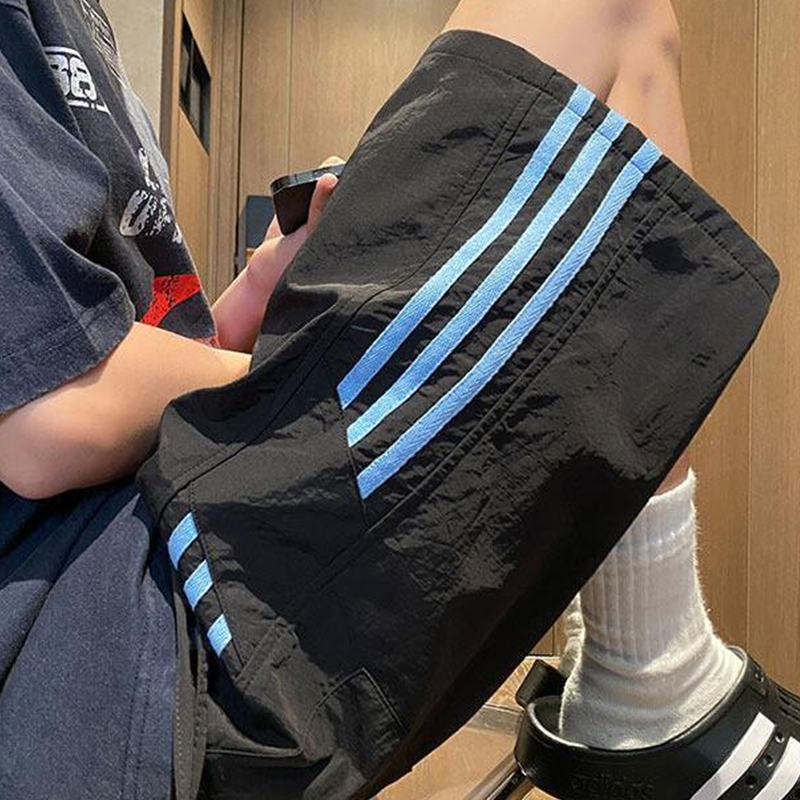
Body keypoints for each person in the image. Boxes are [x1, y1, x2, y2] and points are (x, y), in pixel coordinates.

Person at [0, 2, 785, 800]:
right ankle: (650, 679)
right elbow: (50, 415)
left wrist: (260, 295)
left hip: (157, 559)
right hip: (116, 649)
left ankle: (646, 672)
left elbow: (110, 367)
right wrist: (297, 369)